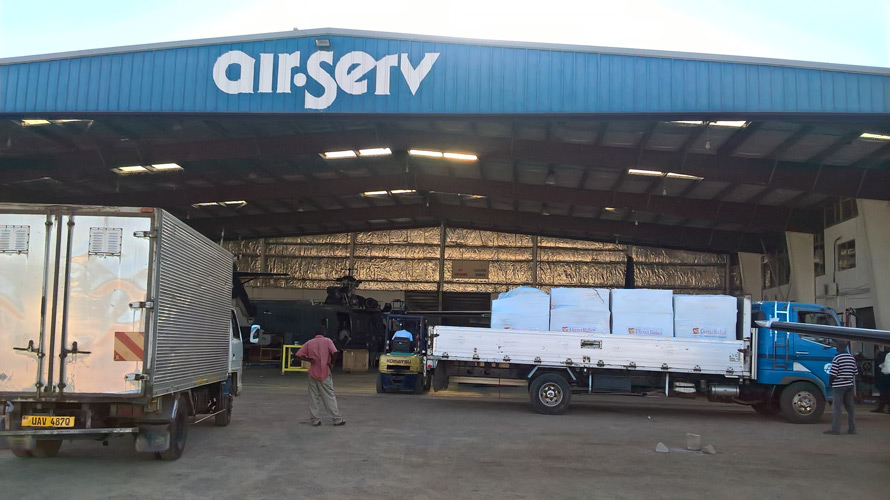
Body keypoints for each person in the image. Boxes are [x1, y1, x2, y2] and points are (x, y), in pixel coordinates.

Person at [295, 327, 346, 427]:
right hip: (325, 372)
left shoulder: (309, 342)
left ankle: (315, 420)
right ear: (324, 333)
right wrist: (332, 364)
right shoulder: (328, 341)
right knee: (329, 396)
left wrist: (309, 360)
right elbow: (335, 352)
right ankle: (337, 419)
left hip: (313, 372)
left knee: (313, 397)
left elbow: (297, 355)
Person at [824, 340, 858, 435]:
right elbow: (855, 372)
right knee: (850, 408)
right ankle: (852, 429)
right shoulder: (851, 358)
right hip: (849, 385)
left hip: (838, 386)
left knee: (837, 408)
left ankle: (835, 429)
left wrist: (830, 383)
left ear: (839, 347)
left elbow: (833, 373)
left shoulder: (837, 358)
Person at [872, 347, 890, 414]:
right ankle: (882, 407)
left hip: (884, 377)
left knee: (884, 392)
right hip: (884, 377)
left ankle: (883, 407)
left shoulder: (882, 355)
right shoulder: (882, 355)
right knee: (884, 392)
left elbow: (878, 366)